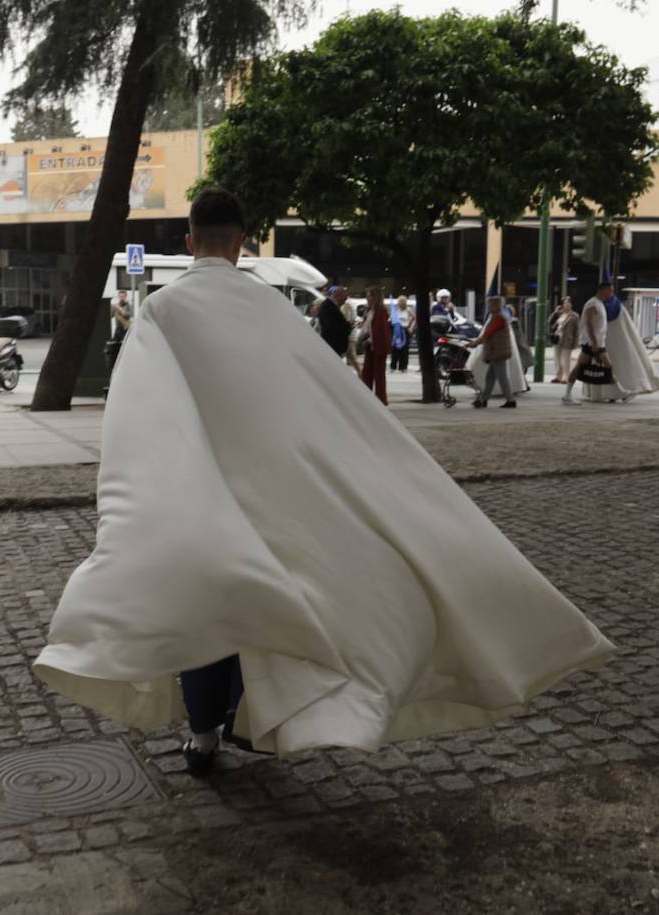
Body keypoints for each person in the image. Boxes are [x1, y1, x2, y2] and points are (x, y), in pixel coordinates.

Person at [31, 187, 614, 777]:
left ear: (189, 242)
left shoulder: (161, 310)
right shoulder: (271, 308)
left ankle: (205, 736)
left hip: (199, 480)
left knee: (204, 600)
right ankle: (262, 716)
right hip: (271, 481)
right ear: (241, 244)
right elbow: (316, 395)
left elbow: (138, 411)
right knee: (272, 601)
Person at [584, 287, 659, 403]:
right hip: (614, 345)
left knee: (603, 368)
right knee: (612, 368)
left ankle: (609, 393)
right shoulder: (618, 308)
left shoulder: (597, 305)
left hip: (601, 344)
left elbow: (592, 325)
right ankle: (620, 391)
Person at [562, 283, 612, 406]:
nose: (611, 294)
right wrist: (594, 342)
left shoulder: (599, 303)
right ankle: (622, 392)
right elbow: (589, 324)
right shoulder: (593, 304)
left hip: (596, 342)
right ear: (603, 290)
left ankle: (567, 394)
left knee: (582, 366)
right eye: (610, 291)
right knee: (607, 366)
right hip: (592, 343)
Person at [471, 296, 517, 409]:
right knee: (490, 377)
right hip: (497, 351)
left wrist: (475, 343)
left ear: (495, 306)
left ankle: (510, 400)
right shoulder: (498, 317)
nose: (488, 307)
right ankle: (483, 400)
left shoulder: (498, 318)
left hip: (498, 352)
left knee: (501, 377)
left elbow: (488, 334)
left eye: (489, 305)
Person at [358, 287, 391, 404]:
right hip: (369, 346)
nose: (367, 298)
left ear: (375, 298)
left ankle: (381, 400)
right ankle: (367, 398)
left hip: (379, 346)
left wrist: (371, 340)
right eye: (367, 296)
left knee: (379, 375)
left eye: (369, 296)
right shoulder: (368, 311)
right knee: (366, 372)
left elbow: (382, 331)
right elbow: (366, 327)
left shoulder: (381, 311)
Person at [311, 285, 352, 361]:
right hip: (332, 346)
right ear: (338, 295)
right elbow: (331, 327)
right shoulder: (327, 307)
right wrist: (348, 326)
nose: (344, 302)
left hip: (334, 346)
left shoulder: (330, 306)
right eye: (344, 299)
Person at [550, 297, 579, 384]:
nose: (567, 304)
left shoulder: (574, 315)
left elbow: (577, 330)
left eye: (568, 303)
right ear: (562, 305)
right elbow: (550, 321)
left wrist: (576, 343)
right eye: (565, 303)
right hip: (557, 338)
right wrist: (555, 312)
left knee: (566, 359)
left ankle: (566, 377)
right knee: (557, 358)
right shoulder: (559, 314)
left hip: (567, 339)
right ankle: (558, 376)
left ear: (571, 304)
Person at [390, 295, 415, 373]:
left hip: (404, 330)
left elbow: (414, 318)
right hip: (397, 330)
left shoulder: (408, 310)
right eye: (399, 301)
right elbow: (391, 320)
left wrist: (411, 327)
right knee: (395, 349)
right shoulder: (396, 310)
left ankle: (403, 367)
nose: (400, 303)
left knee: (404, 350)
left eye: (402, 301)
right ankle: (393, 367)